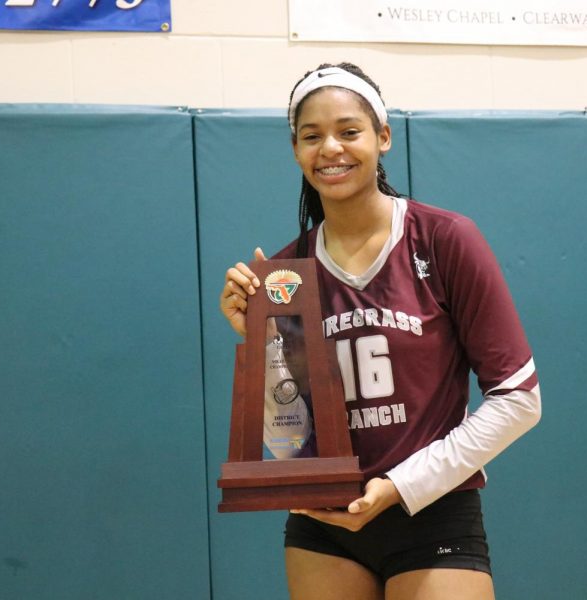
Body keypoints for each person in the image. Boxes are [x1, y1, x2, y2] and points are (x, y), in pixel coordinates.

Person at [219, 62, 541, 600]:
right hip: (322, 526)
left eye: (349, 131)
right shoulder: (284, 276)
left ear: (383, 137)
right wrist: (259, 342)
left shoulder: (445, 240)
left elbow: (519, 401)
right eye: (311, 136)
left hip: (432, 512)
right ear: (296, 150)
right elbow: (291, 435)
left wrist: (400, 487)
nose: (330, 149)